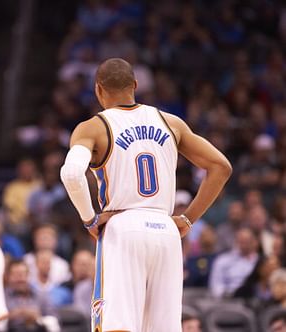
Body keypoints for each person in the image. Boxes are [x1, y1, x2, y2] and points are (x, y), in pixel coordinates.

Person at [60, 58, 232, 331]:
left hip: (123, 227)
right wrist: (187, 219)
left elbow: (71, 175)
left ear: (98, 89)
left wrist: (90, 220)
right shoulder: (170, 122)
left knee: (118, 325)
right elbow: (221, 166)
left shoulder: (92, 127)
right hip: (166, 231)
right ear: (136, 86)